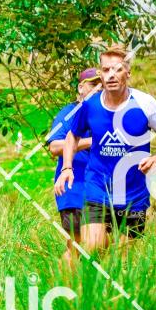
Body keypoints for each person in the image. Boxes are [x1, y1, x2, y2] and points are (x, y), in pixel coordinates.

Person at [55, 45, 156, 252]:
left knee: (124, 256)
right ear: (101, 74)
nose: (111, 75)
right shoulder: (90, 105)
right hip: (98, 191)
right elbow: (73, 135)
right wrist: (67, 167)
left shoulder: (145, 104)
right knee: (93, 247)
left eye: (117, 69)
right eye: (106, 70)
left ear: (128, 73)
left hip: (134, 195)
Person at [48, 67, 101, 260]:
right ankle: (62, 277)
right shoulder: (69, 113)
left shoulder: (104, 115)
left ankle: (87, 280)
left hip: (100, 191)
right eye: (94, 84)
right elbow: (54, 146)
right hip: (74, 189)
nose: (99, 89)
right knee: (77, 245)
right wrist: (91, 142)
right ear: (80, 87)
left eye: (102, 85)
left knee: (100, 246)